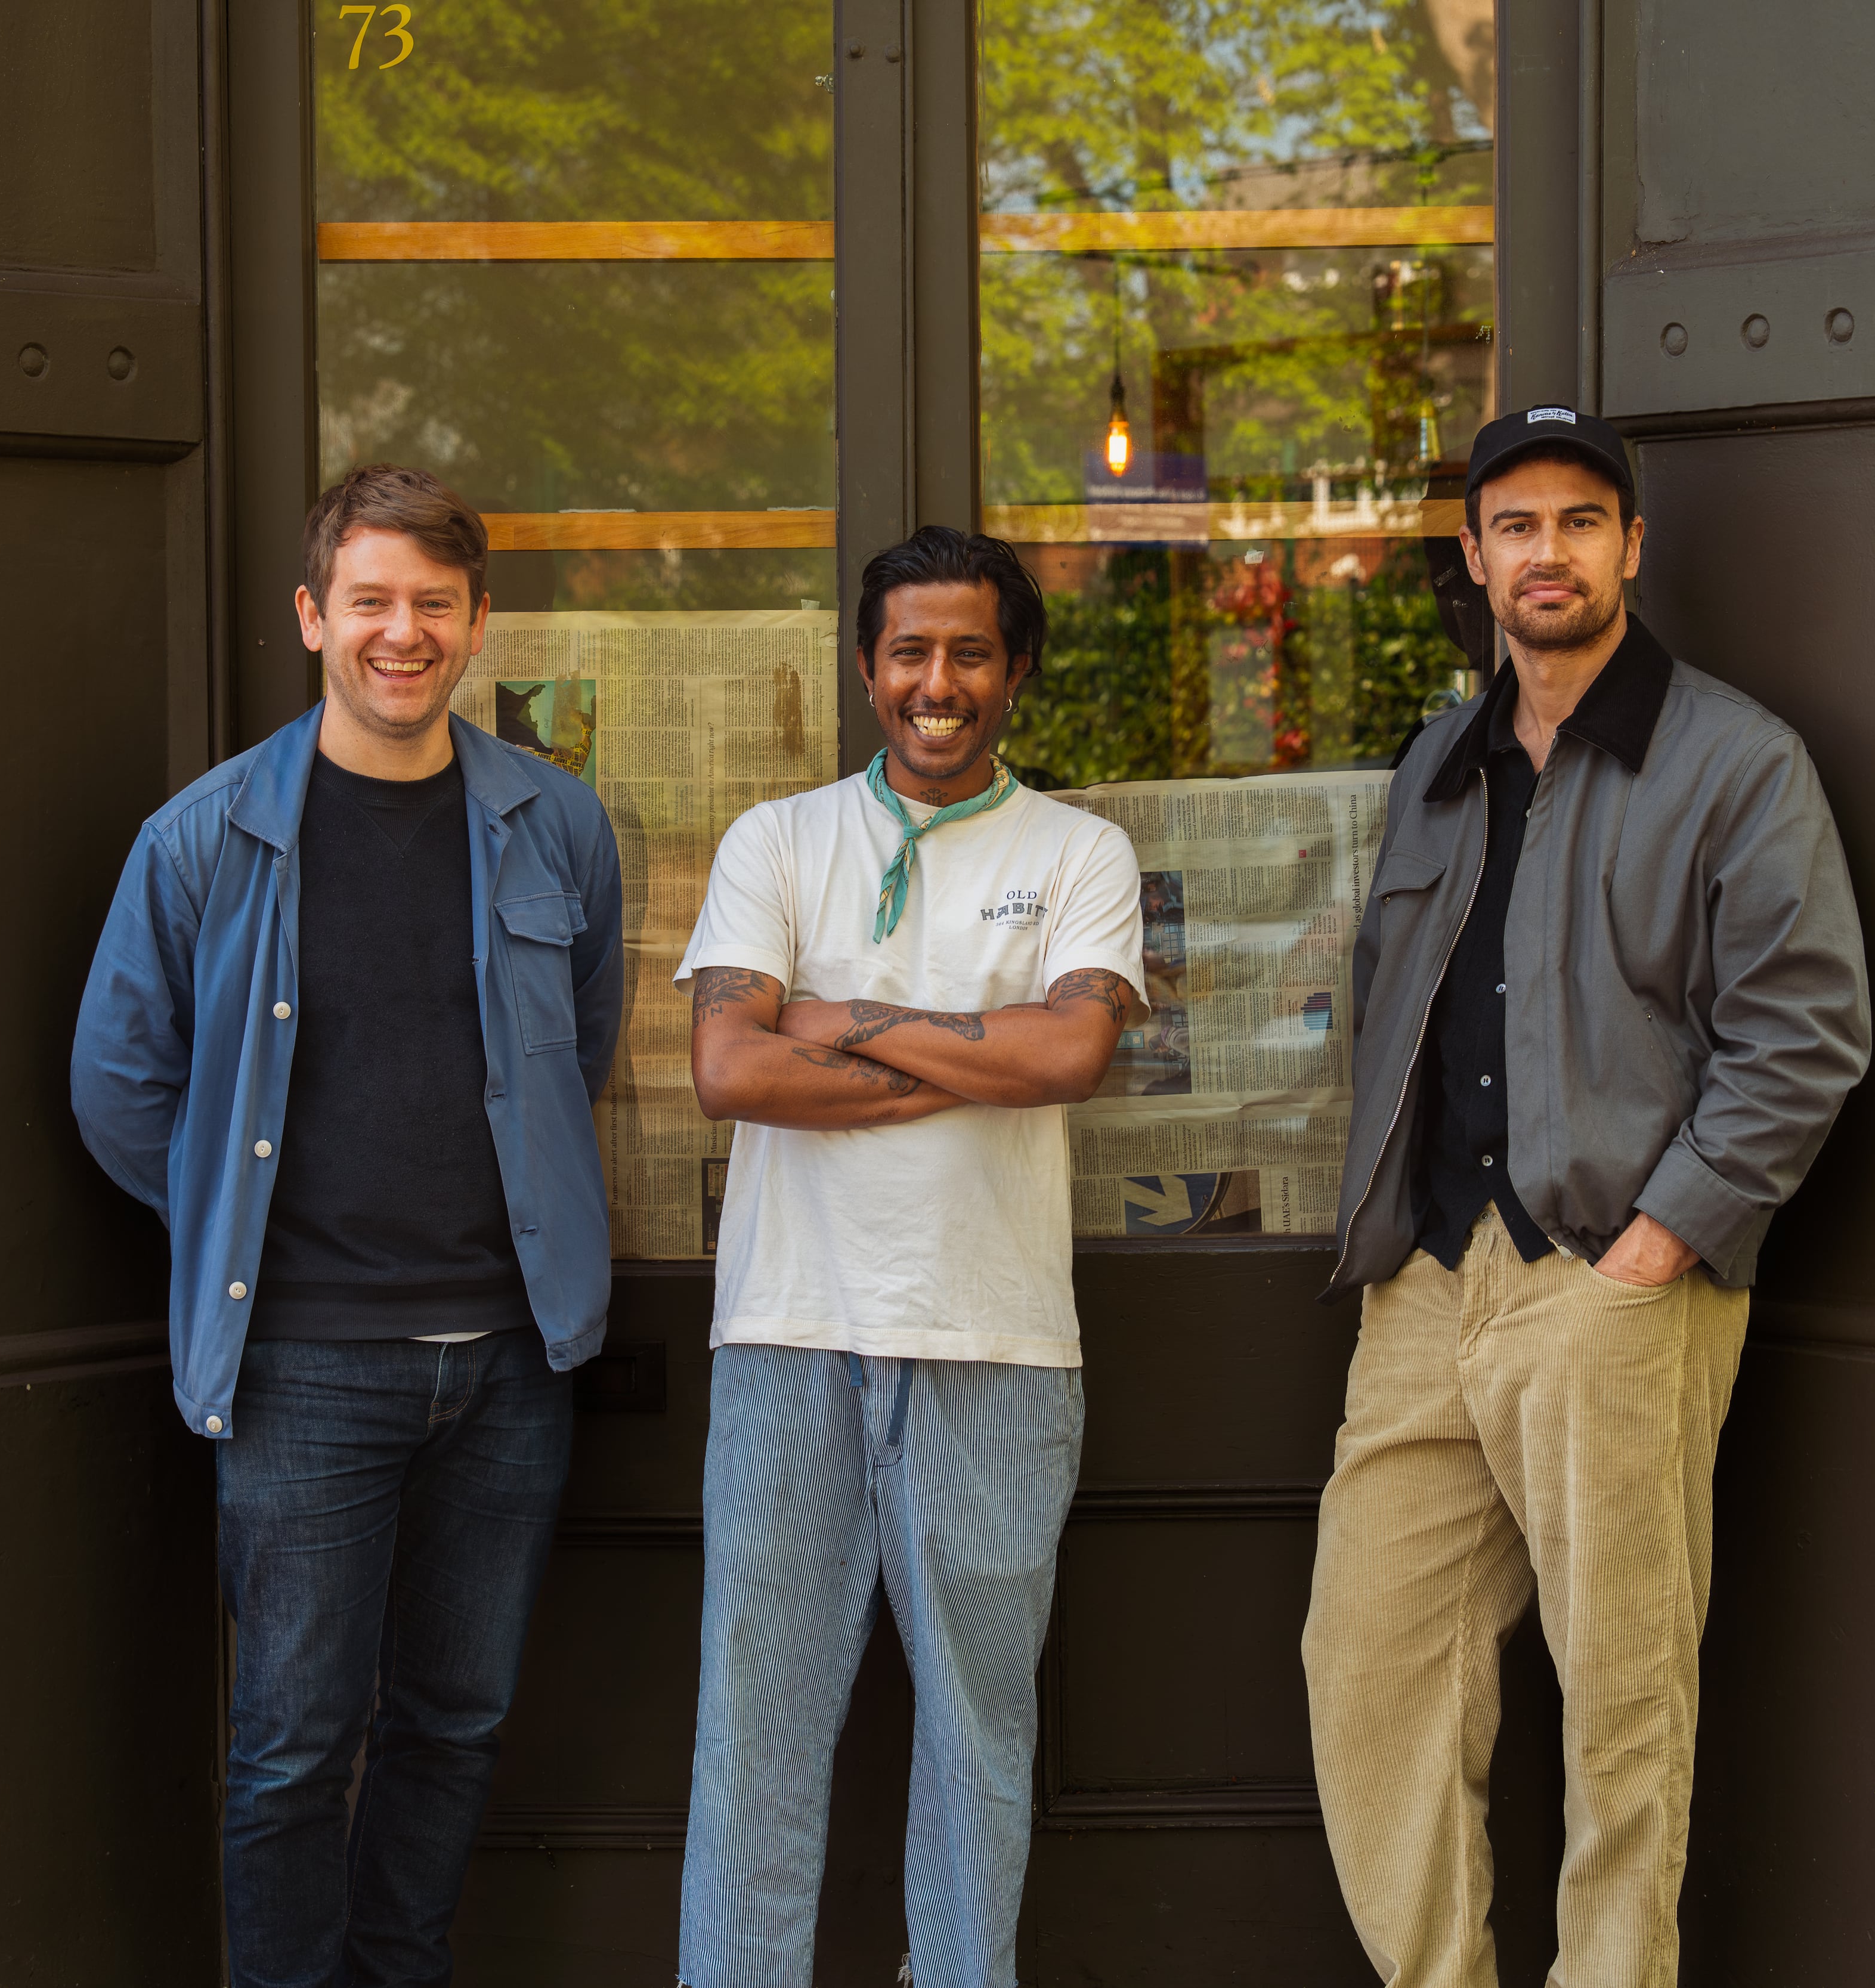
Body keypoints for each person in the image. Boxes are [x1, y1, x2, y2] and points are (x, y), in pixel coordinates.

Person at [1302, 407, 1871, 1987]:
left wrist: (1657, 1240)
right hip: (1428, 1275)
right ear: (1475, 559)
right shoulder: (1443, 764)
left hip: (1613, 1280)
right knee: (1370, 1671)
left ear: (1631, 546)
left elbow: (1807, 1032)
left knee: (1624, 1704)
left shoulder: (1734, 760)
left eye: (1579, 520)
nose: (1546, 551)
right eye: (1515, 525)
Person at [70, 464, 624, 1988]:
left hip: (510, 1362)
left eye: (432, 605)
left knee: (456, 1722)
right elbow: (122, 1090)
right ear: (313, 615)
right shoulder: (205, 840)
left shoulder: (556, 826)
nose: (402, 633)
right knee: (292, 1749)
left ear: (476, 624)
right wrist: (248, 1224)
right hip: (304, 1368)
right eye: (369, 601)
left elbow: (578, 1049)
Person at [670, 527, 1146, 1988]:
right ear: (870, 667)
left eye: (971, 653)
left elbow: (1072, 1048)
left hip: (996, 1344)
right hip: (787, 1329)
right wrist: (971, 1055)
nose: (938, 683)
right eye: (910, 652)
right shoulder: (778, 839)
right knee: (754, 1729)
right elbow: (731, 1070)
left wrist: (843, 1015)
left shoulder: (1079, 850)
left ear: (1015, 671)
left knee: (976, 1734)